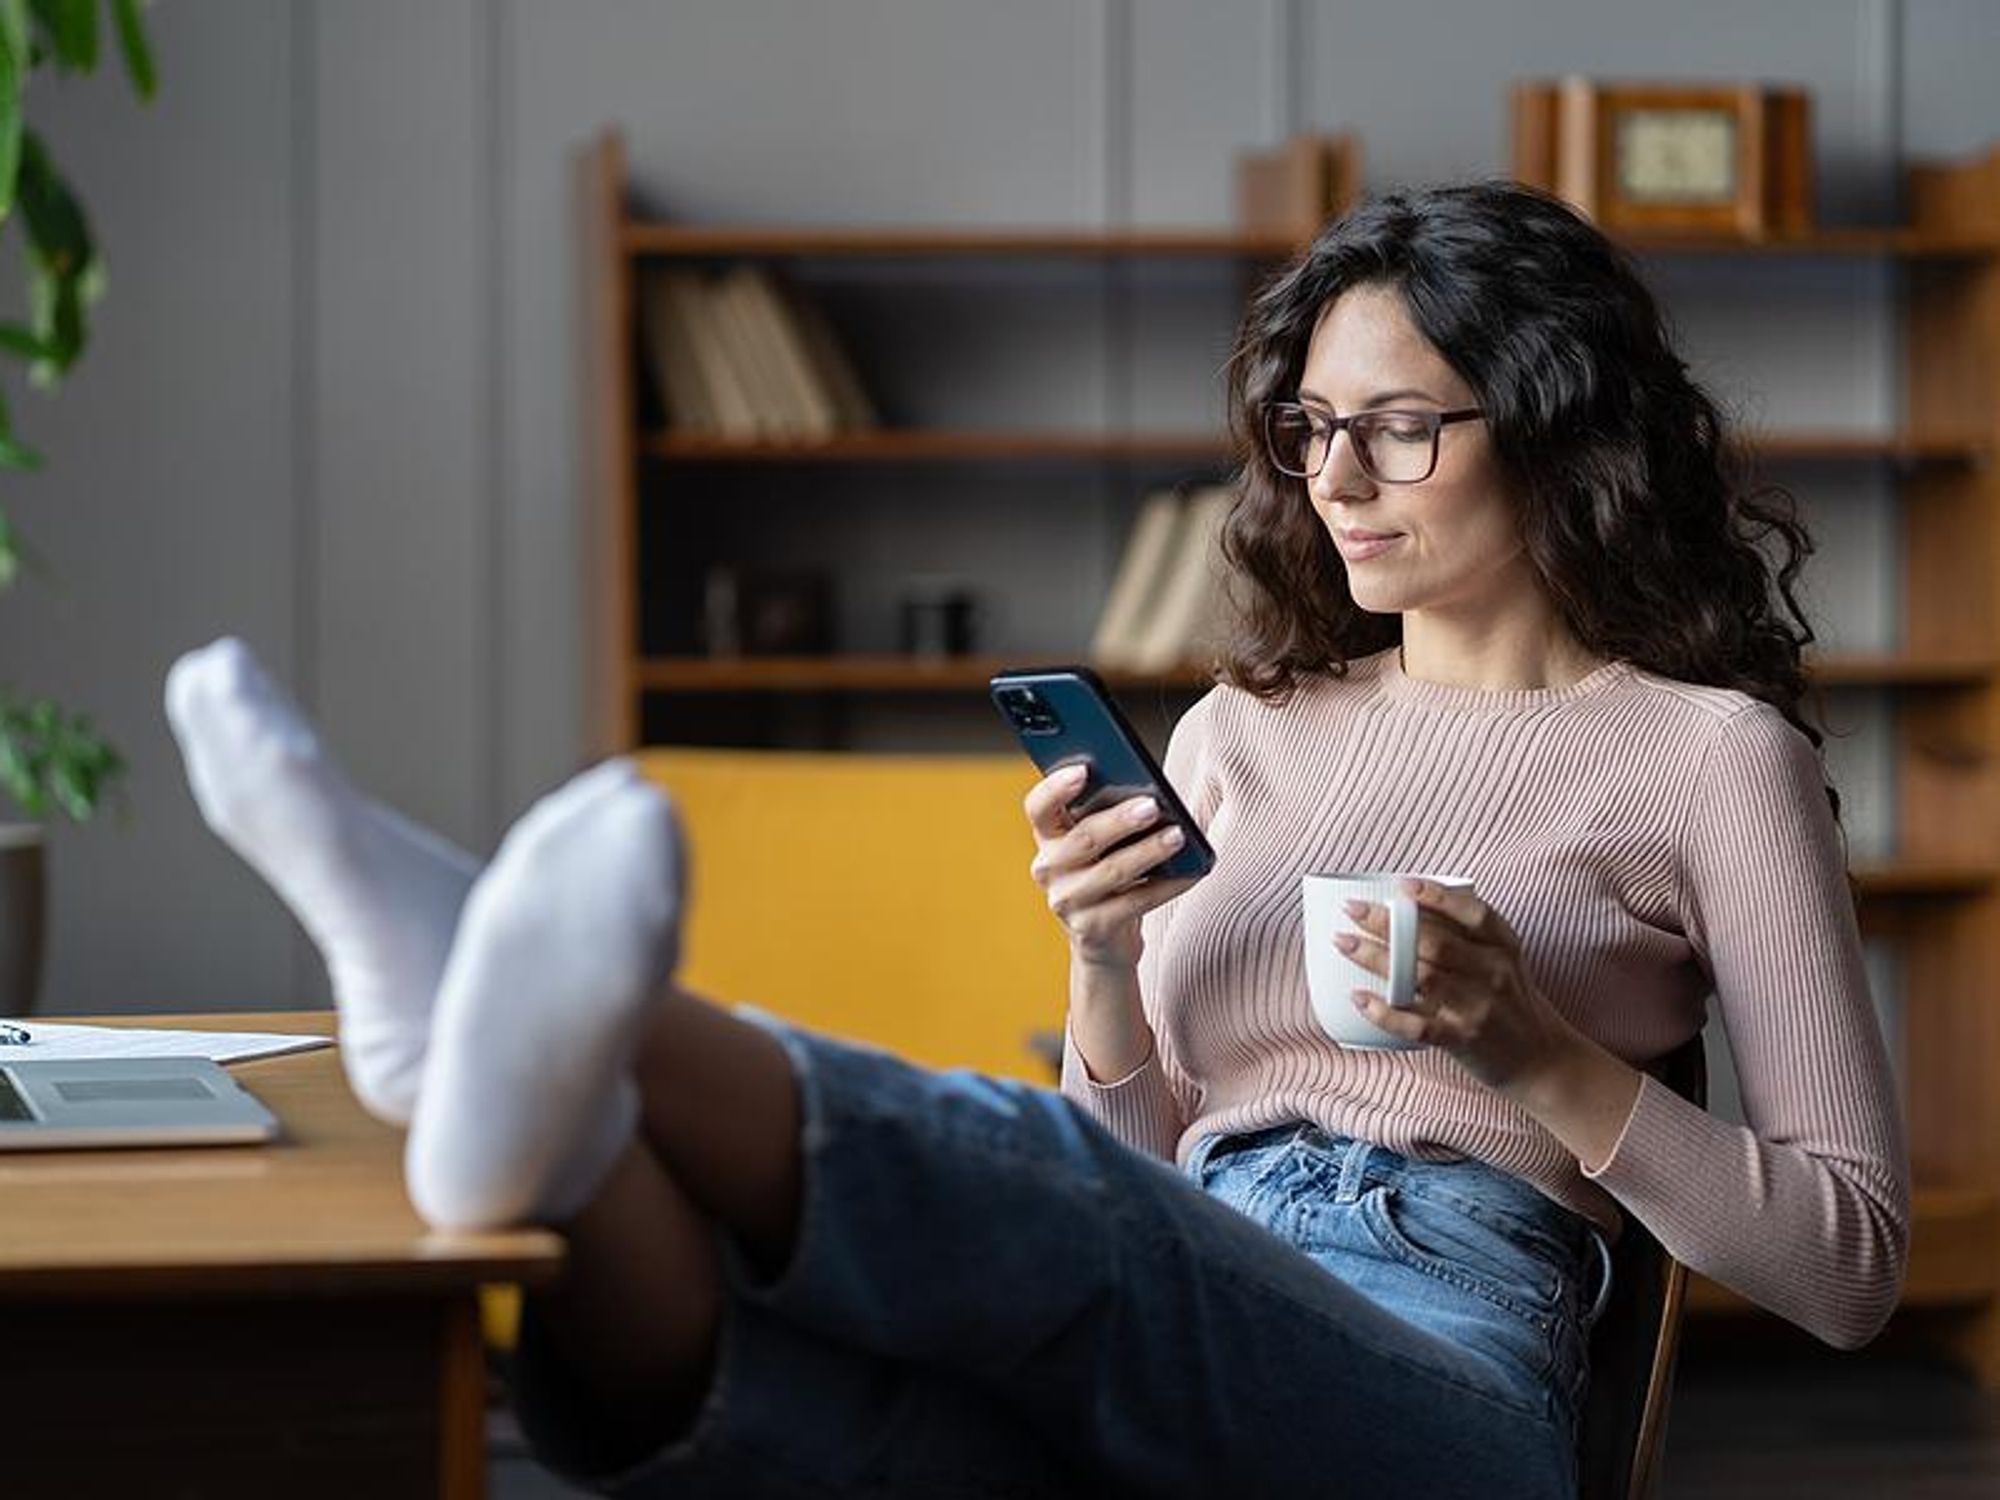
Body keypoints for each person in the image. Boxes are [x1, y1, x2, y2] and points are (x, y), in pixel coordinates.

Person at [162, 181, 1905, 1499]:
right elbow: (1146, 1168)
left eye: (1399, 426)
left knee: (1057, 1217)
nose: (1336, 481)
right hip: (1194, 1258)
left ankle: (522, 1016)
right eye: (1308, 430)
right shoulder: (1243, 734)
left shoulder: (1706, 758)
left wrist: (1530, 1045)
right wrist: (1103, 969)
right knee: (812, 1401)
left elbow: (1846, 1273)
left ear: (1554, 432)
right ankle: (520, 1097)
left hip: (1452, 1353)